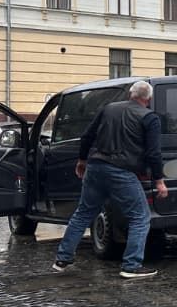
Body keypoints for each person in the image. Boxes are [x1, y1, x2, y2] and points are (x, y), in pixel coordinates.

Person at [52, 80, 168, 279]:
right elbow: (153, 153)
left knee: (83, 213)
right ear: (148, 99)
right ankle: (131, 265)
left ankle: (63, 258)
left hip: (96, 167)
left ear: (130, 94)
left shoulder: (108, 109)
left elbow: (87, 136)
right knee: (140, 217)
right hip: (122, 171)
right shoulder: (149, 118)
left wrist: (82, 160)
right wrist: (159, 180)